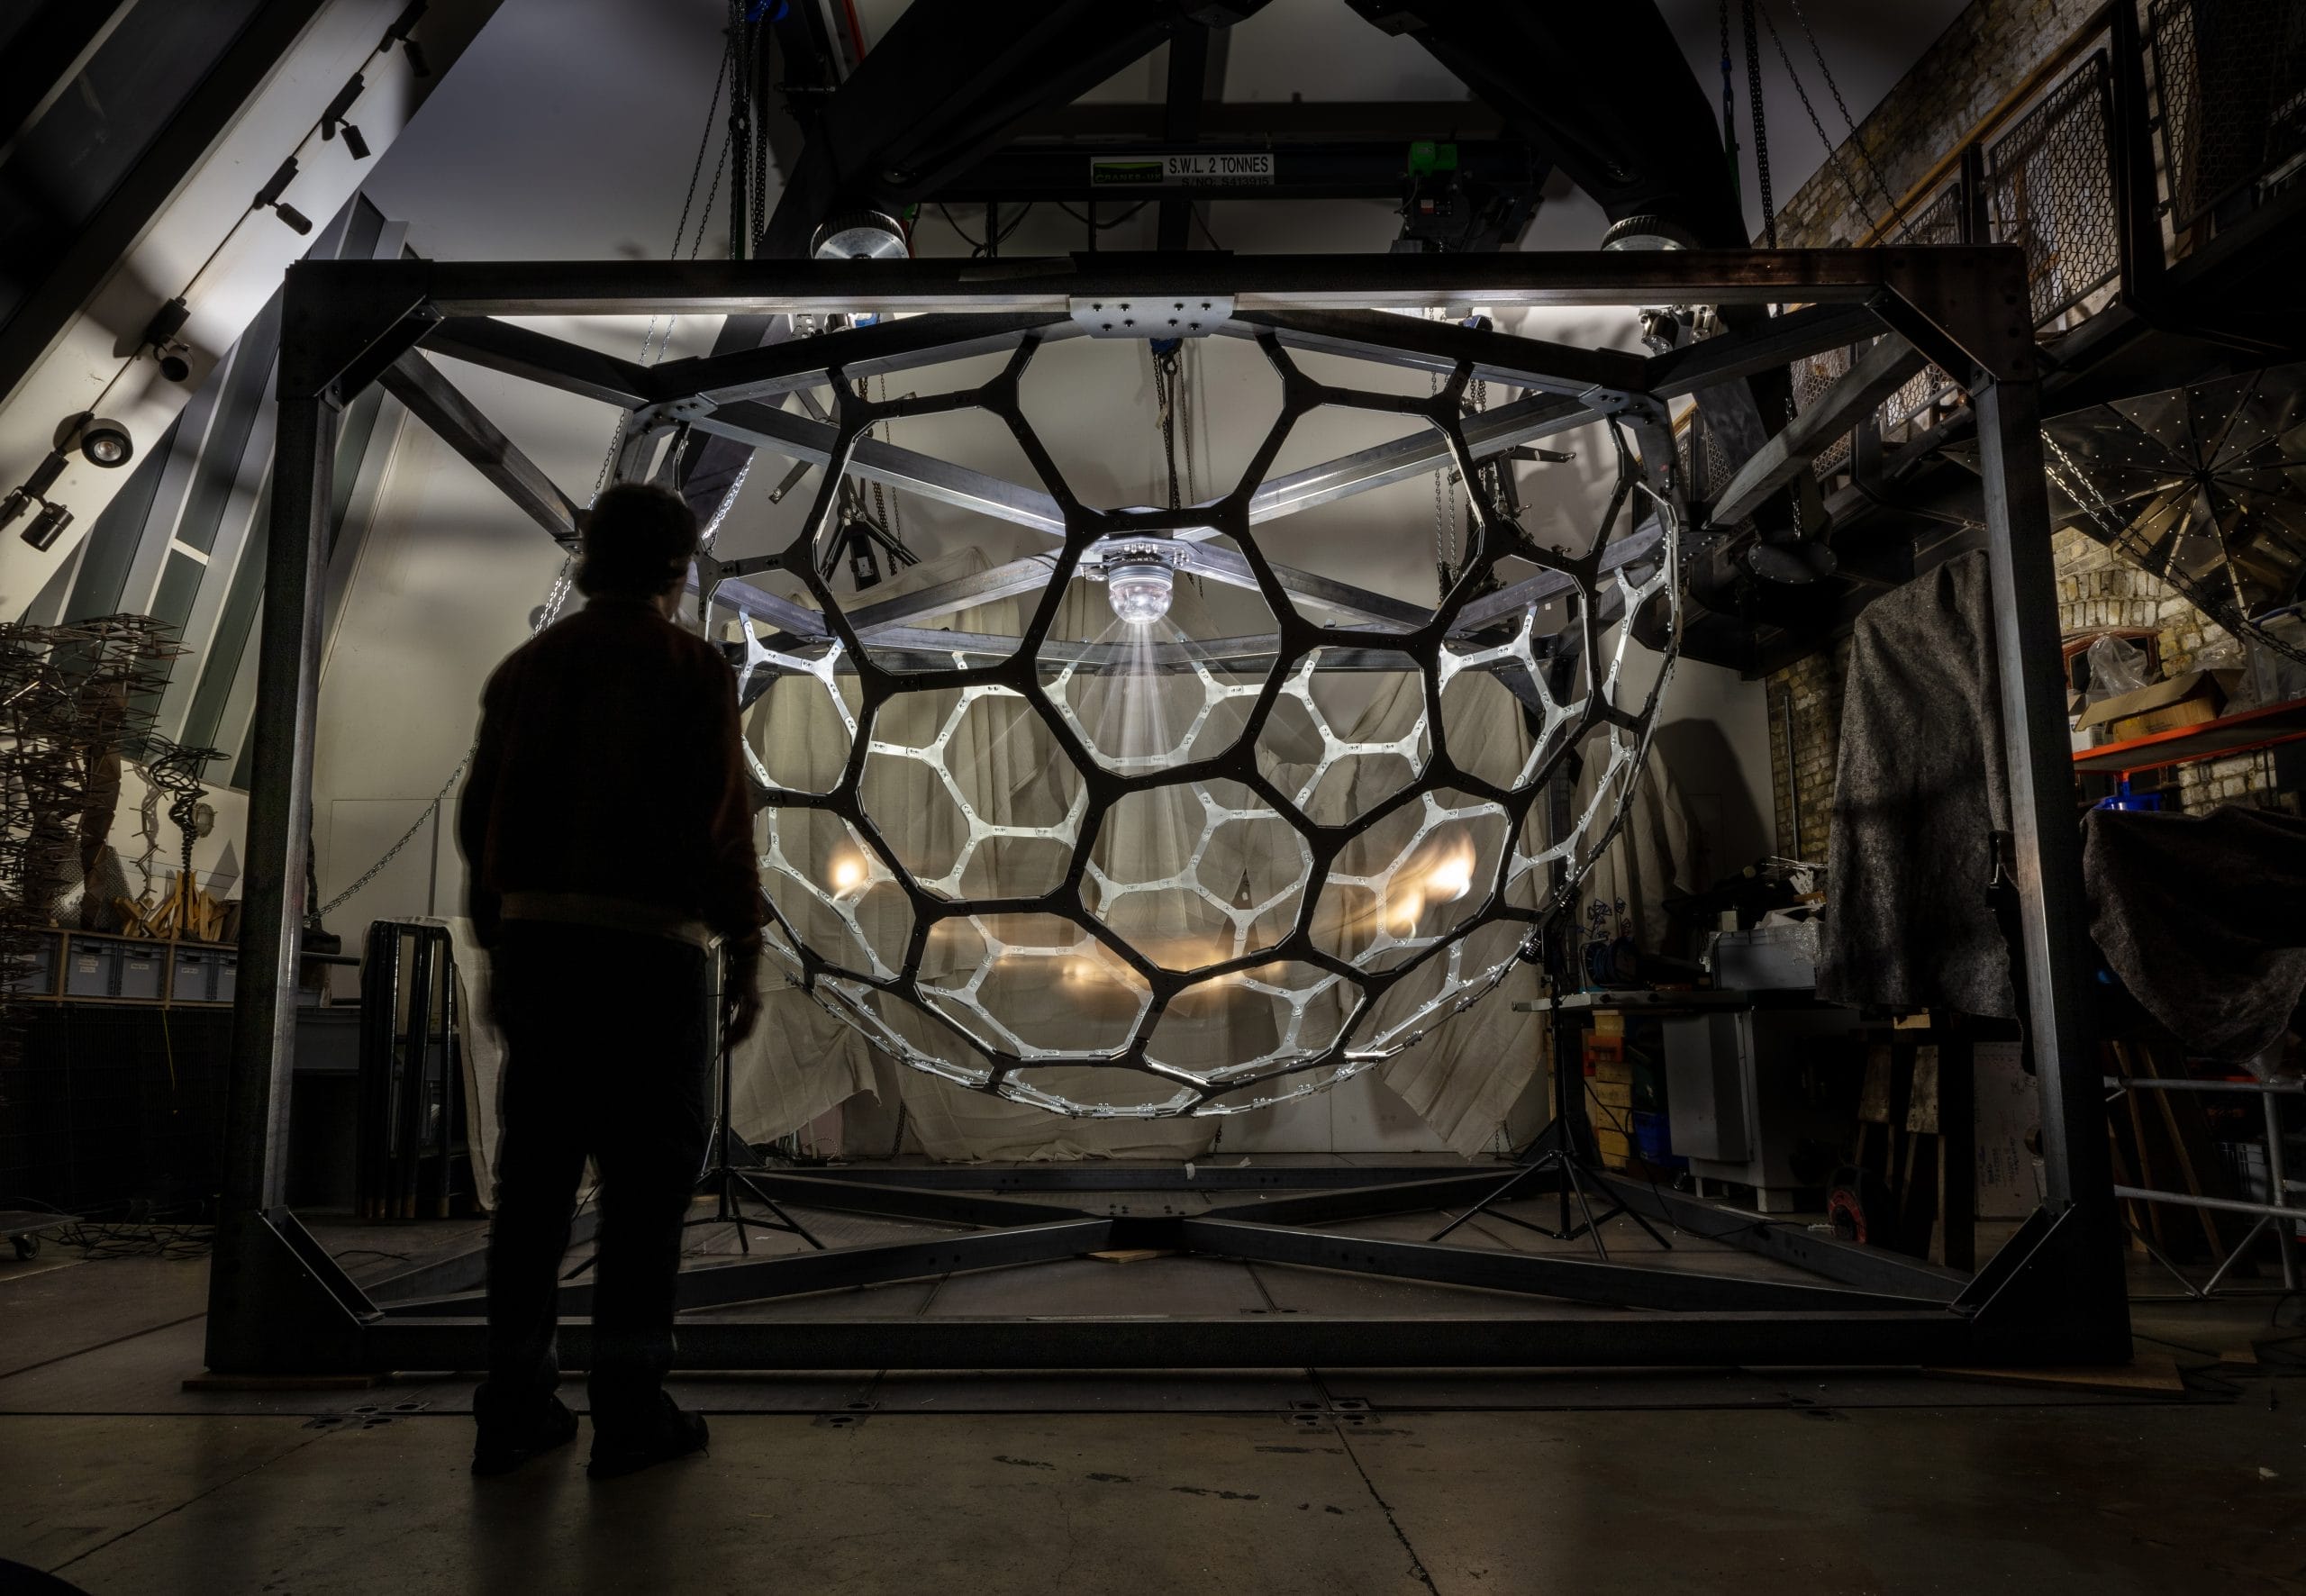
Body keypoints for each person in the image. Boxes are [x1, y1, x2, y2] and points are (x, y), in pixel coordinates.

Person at [458, 482, 764, 1479]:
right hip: (649, 959)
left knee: (534, 1192)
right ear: (678, 567)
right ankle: (630, 1411)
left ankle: (513, 1404)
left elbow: (477, 822)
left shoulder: (528, 669)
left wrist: (498, 944)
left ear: (588, 557)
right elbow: (721, 821)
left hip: (541, 951)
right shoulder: (691, 669)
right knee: (644, 1197)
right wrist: (745, 952)